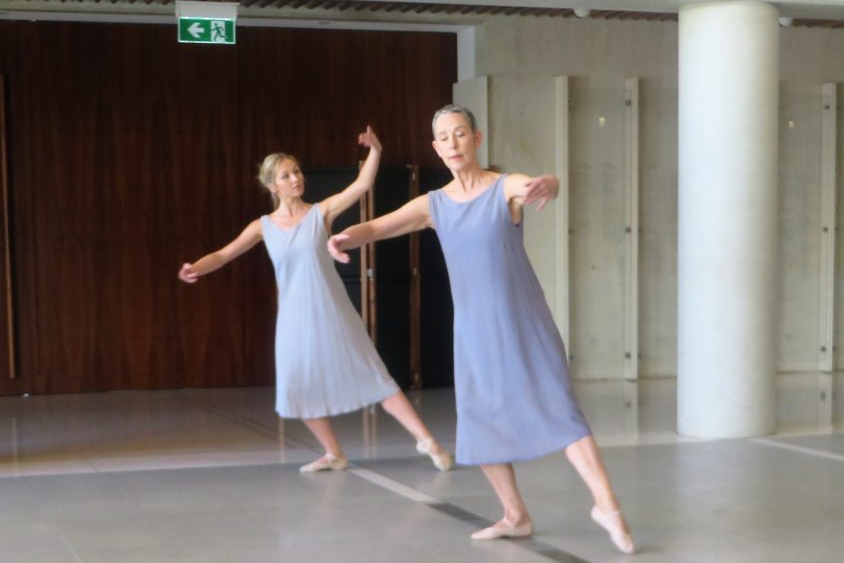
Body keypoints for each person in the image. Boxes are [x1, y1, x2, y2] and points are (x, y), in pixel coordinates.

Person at [327, 106, 634, 554]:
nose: (452, 144)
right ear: (436, 148)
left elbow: (532, 183)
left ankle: (607, 505)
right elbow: (376, 226)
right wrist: (344, 238)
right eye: (443, 138)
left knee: (562, 410)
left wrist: (550, 183)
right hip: (474, 332)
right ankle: (515, 515)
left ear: (477, 137)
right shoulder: (434, 205)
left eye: (460, 134)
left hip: (525, 323)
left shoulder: (502, 189)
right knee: (481, 421)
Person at [177, 127, 453, 474]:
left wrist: (377, 150)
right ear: (272, 186)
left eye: (297, 172)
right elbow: (223, 254)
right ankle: (333, 452)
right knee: (297, 385)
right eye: (286, 175)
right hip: (293, 319)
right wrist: (195, 268)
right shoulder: (262, 226)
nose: (295, 179)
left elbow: (361, 186)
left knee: (375, 375)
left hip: (332, 312)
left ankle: (428, 441)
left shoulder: (320, 213)